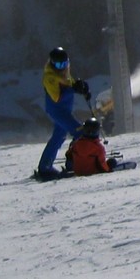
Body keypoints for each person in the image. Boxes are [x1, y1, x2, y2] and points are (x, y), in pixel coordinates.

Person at [36, 47, 90, 181]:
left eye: (65, 64)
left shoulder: (64, 74)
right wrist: (73, 89)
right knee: (80, 132)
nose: (63, 67)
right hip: (58, 111)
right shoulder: (50, 77)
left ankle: (45, 167)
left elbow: (71, 84)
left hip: (64, 111)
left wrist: (81, 87)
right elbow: (57, 97)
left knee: (59, 136)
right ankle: (72, 163)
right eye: (59, 65)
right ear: (52, 64)